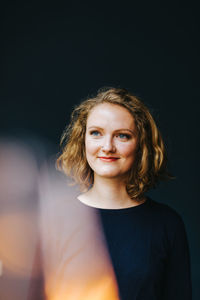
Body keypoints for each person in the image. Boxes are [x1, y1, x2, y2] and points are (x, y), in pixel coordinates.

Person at [56, 87, 192, 300]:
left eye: (122, 136)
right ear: (83, 140)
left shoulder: (167, 224)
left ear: (141, 145)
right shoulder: (54, 220)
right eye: (96, 133)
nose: (107, 147)